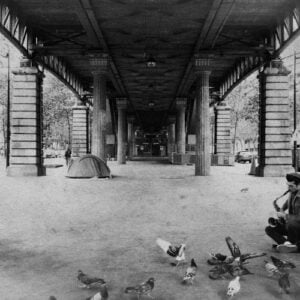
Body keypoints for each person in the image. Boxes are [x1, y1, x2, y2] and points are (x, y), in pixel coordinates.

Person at [265, 172, 300, 253]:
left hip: (297, 227)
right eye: (288, 185)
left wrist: (285, 216)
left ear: (299, 185)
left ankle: (295, 246)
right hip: (291, 228)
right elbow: (288, 203)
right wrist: (281, 209)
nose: (289, 188)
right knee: (269, 229)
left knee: (291, 223)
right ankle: (287, 244)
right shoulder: (292, 192)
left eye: (291, 186)